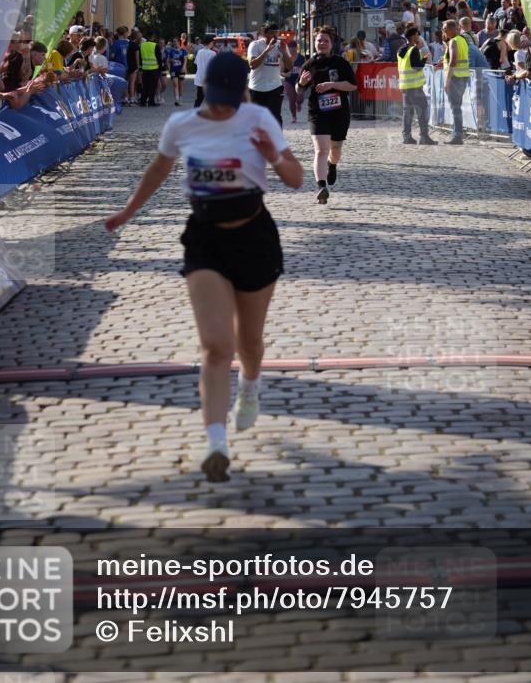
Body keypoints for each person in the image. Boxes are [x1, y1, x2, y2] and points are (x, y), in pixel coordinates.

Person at [105, 54, 303, 482]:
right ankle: (216, 442)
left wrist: (273, 157)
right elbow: (159, 168)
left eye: (229, 100)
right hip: (205, 239)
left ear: (242, 93)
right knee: (216, 346)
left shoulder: (257, 119)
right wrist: (127, 212)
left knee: (249, 343)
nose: (222, 108)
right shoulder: (182, 124)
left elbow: (296, 178)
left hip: (254, 238)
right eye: (216, 99)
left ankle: (250, 388)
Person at [296, 28, 357, 203]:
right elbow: (299, 90)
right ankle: (321, 187)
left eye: (325, 41)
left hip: (339, 113)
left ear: (331, 44)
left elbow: (352, 86)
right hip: (317, 112)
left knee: (335, 149)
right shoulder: (308, 65)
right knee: (321, 150)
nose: (321, 43)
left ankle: (333, 165)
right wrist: (301, 83)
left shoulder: (340, 63)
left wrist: (332, 85)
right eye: (319, 41)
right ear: (314, 43)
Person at [396, 25, 436, 146]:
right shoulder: (413, 50)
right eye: (418, 35)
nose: (419, 37)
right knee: (422, 111)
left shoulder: (401, 50)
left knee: (407, 113)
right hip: (414, 87)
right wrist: (424, 58)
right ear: (414, 36)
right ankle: (424, 137)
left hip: (405, 86)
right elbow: (417, 66)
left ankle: (406, 137)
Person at [247, 23, 292, 126]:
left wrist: (284, 52)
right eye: (272, 33)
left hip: (275, 87)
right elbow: (252, 65)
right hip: (256, 87)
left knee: (275, 117)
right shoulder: (255, 45)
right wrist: (267, 50)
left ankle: (276, 140)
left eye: (277, 33)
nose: (275, 36)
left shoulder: (281, 45)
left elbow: (289, 66)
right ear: (264, 34)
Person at [435, 19, 470, 145]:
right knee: (457, 107)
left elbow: (453, 60)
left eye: (445, 28)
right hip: (462, 77)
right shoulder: (462, 40)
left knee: (455, 108)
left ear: (452, 29)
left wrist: (446, 81)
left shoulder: (454, 41)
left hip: (455, 78)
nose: (443, 31)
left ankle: (457, 136)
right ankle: (457, 134)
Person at [282, 39, 305, 123]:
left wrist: (302, 72)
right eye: (290, 49)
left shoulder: (302, 58)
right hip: (289, 81)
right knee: (291, 99)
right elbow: (280, 72)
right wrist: (286, 74)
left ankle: (299, 104)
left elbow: (306, 68)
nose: (292, 51)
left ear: (296, 48)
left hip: (299, 80)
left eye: (293, 49)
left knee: (300, 98)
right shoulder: (285, 58)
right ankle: (294, 116)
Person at [139, 31, 161, 107]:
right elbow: (159, 58)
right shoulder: (155, 45)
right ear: (152, 37)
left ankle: (143, 101)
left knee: (145, 86)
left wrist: (141, 66)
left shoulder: (142, 45)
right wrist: (160, 68)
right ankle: (151, 102)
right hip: (154, 68)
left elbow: (140, 57)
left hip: (145, 68)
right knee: (153, 86)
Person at [193, 34, 216, 107]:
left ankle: (194, 114)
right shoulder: (213, 53)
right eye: (213, 42)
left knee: (199, 99)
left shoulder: (200, 52)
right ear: (210, 42)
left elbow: (196, 63)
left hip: (200, 79)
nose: (213, 44)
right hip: (209, 80)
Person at [165, 36, 188, 106]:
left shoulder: (183, 50)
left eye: (175, 41)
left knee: (180, 85)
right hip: (173, 69)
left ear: (178, 42)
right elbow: (167, 61)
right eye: (173, 41)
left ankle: (180, 98)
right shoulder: (170, 51)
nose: (174, 43)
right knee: (175, 85)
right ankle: (176, 100)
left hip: (181, 69)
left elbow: (185, 60)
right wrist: (169, 69)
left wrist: (184, 67)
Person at [126, 29, 141, 105]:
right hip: (133, 65)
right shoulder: (136, 46)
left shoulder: (128, 44)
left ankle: (127, 97)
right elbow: (137, 57)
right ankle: (131, 98)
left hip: (127, 64)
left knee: (127, 82)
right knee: (132, 83)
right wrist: (138, 67)